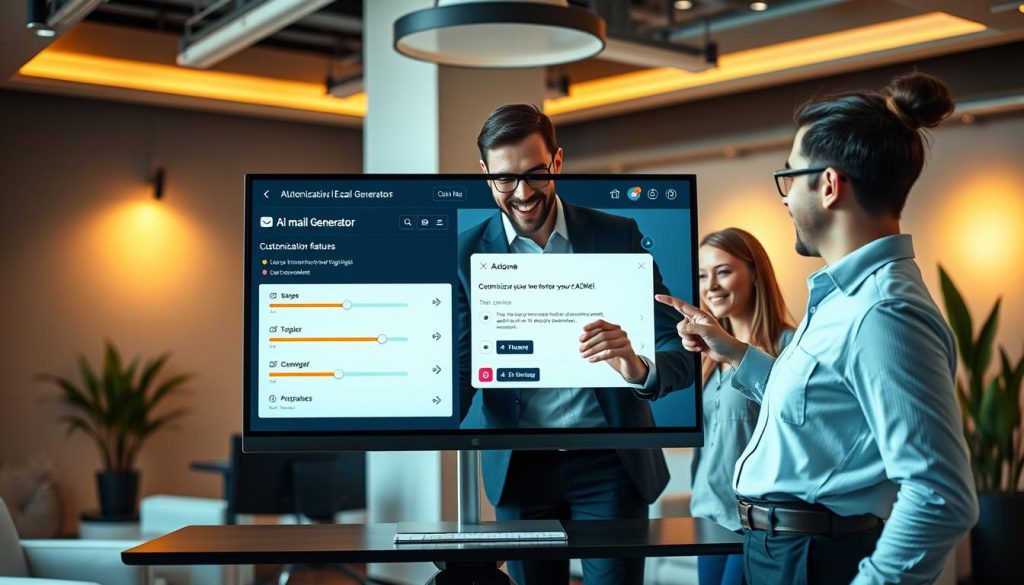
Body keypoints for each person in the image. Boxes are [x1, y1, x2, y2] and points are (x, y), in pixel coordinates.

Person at [657, 72, 978, 584]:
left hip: (811, 556)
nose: (784, 198)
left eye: (789, 177)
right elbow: (818, 413)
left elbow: (941, 495)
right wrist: (735, 353)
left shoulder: (882, 312)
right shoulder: (841, 298)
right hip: (780, 548)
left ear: (828, 185)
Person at [456, 104, 695, 585]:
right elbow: (460, 369)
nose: (522, 193)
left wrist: (638, 367)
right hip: (521, 468)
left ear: (558, 162)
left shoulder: (616, 235)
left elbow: (679, 347)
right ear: (485, 174)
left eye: (535, 174)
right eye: (505, 179)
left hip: (611, 462)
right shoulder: (466, 252)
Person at [689, 228, 794, 585]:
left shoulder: (789, 346)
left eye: (723, 271)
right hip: (708, 516)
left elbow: (797, 421)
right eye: (703, 275)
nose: (711, 286)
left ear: (754, 273)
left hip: (756, 522)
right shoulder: (707, 356)